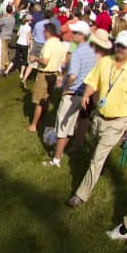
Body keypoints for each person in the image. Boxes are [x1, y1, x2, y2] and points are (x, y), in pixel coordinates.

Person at [69, 31, 127, 207]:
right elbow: (92, 81)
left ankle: (80, 196)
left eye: (124, 47)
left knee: (95, 160)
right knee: (94, 154)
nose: (119, 49)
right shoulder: (105, 62)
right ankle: (99, 168)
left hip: (118, 122)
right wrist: (86, 95)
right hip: (98, 117)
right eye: (118, 45)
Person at [43, 21, 96, 167]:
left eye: (74, 33)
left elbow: (72, 76)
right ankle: (59, 153)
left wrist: (65, 90)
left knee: (61, 128)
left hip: (72, 93)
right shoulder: (91, 51)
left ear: (81, 35)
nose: (71, 35)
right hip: (83, 93)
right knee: (69, 126)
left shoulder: (78, 52)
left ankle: (56, 159)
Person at [28, 23, 66, 132]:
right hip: (54, 74)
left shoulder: (49, 44)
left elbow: (44, 61)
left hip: (44, 74)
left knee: (40, 100)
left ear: (48, 32)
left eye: (44, 32)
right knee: (46, 98)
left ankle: (34, 124)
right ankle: (41, 120)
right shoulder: (60, 43)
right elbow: (63, 61)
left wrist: (35, 58)